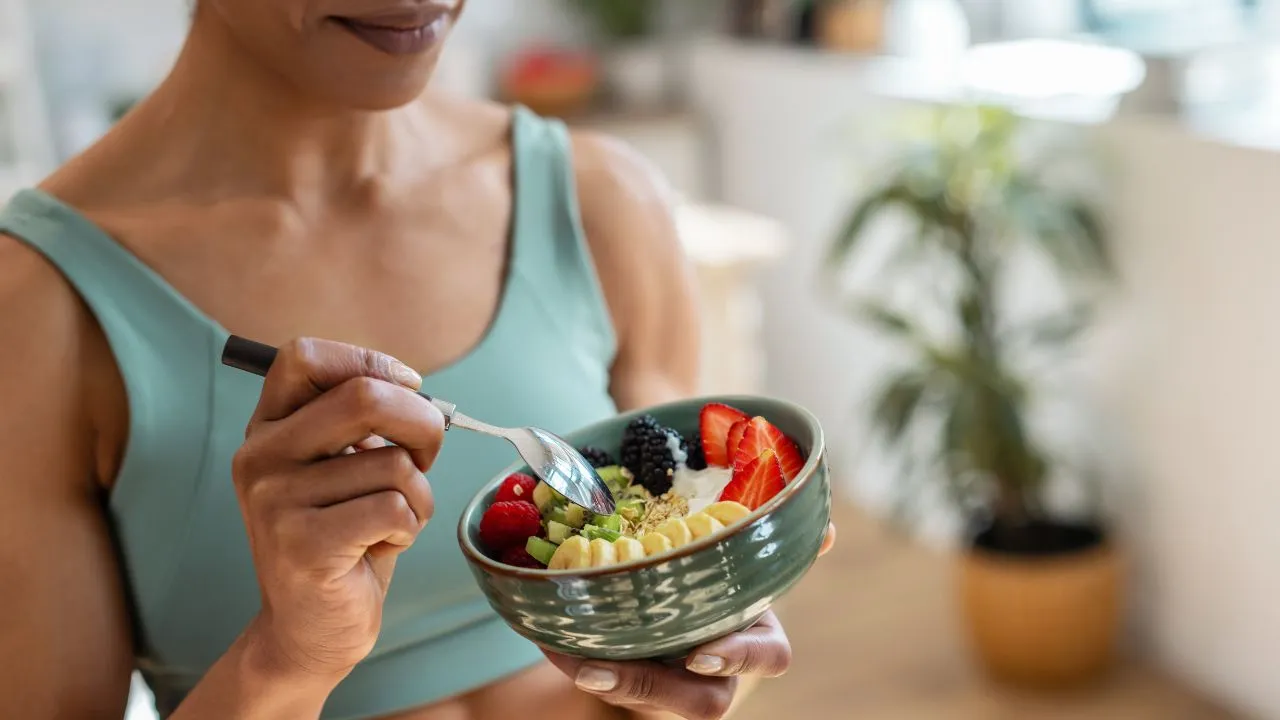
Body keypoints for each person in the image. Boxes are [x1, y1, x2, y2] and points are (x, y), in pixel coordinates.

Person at [0, 1, 836, 719]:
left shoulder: (602, 201)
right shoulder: (38, 307)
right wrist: (287, 655)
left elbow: (680, 652)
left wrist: (710, 639)